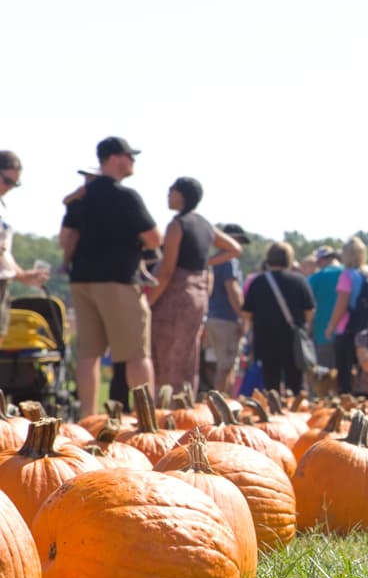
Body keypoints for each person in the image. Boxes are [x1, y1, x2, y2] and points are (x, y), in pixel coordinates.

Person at [59, 137, 161, 415]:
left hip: (81, 281)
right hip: (118, 281)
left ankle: (87, 418)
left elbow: (65, 238)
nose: (133, 162)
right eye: (130, 156)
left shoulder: (81, 198)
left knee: (88, 354)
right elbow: (154, 239)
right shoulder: (126, 197)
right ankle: (145, 419)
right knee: (137, 355)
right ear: (116, 158)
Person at [148, 177, 241, 392]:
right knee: (189, 354)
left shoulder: (177, 225)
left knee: (164, 354)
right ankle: (185, 402)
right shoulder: (206, 225)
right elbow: (234, 248)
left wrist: (150, 300)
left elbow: (167, 270)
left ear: (182, 195)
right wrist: (205, 263)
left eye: (171, 190)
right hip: (199, 295)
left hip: (175, 296)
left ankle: (164, 407)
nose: (168, 194)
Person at [240, 241, 315, 394]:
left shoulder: (258, 282)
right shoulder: (299, 281)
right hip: (292, 340)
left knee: (271, 385)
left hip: (265, 339)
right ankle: (295, 413)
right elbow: (309, 310)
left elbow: (247, 313)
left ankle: (273, 414)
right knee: (295, 385)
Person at [0, 152, 51, 338]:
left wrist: (22, 275)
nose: (10, 188)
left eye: (15, 184)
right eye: (7, 181)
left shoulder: (3, 207)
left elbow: (3, 251)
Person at [324, 237, 368, 395]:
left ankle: (346, 400)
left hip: (347, 329)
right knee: (363, 369)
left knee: (345, 372)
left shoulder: (347, 276)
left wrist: (331, 326)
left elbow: (341, 304)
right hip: (367, 329)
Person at [205, 222, 250, 394]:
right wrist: (242, 316)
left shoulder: (213, 261)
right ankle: (223, 403)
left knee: (222, 364)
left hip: (213, 316)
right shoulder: (229, 262)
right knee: (226, 366)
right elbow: (233, 290)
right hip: (227, 318)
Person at [307, 245, 342, 371]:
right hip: (347, 336)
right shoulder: (349, 274)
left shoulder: (315, 278)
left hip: (322, 335)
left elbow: (308, 308)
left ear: (321, 260)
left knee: (324, 379)